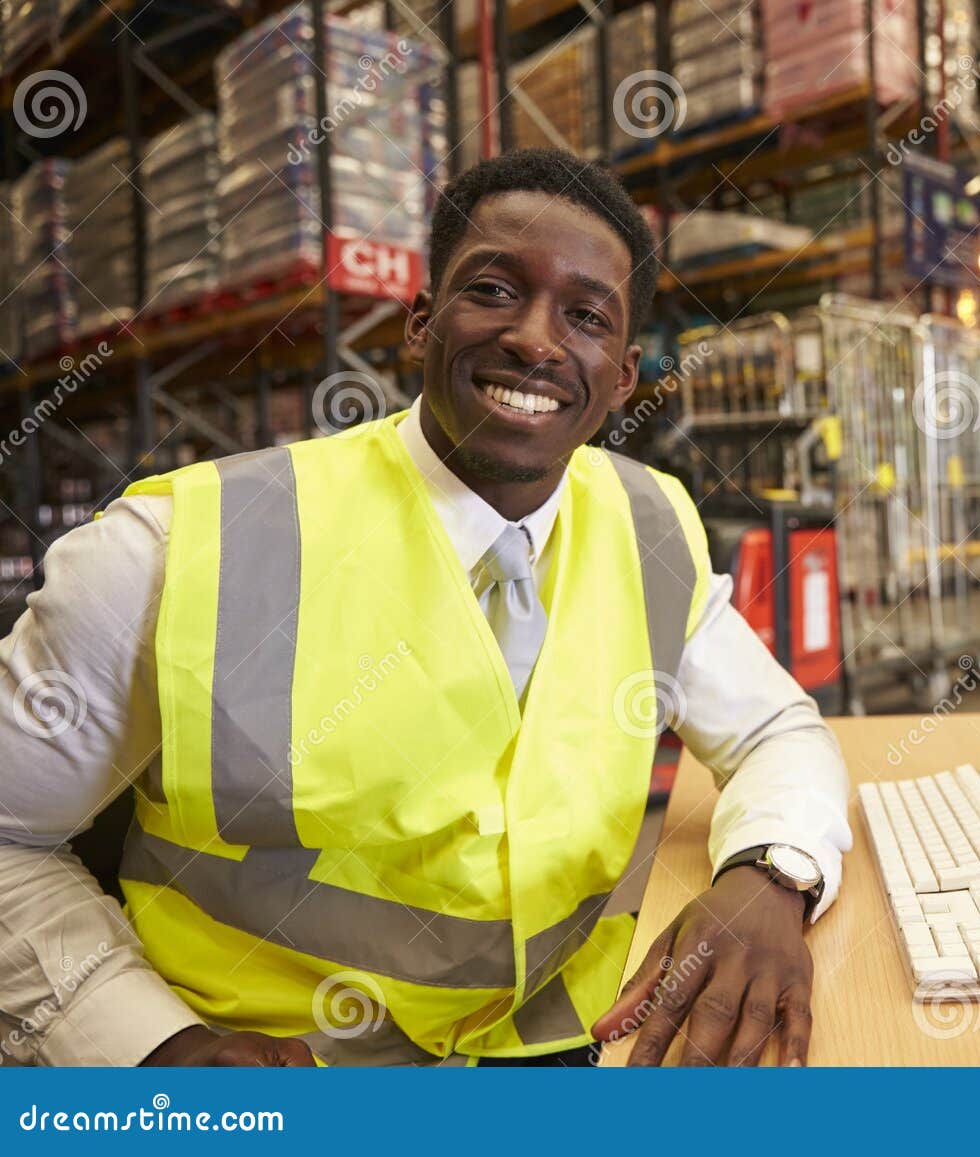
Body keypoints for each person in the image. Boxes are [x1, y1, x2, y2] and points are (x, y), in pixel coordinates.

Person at [0, 148, 851, 1067]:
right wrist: (150, 1045)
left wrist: (771, 874)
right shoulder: (171, 549)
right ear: (419, 324)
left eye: (586, 315)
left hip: (563, 1049)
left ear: (622, 379)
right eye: (492, 290)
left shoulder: (650, 527)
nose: (536, 338)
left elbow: (775, 730)